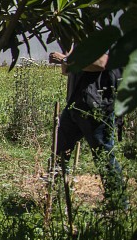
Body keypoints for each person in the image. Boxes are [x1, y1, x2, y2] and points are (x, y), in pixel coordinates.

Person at [48, 48, 125, 207]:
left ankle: (118, 204)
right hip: (75, 103)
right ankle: (55, 197)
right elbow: (67, 70)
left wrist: (65, 59)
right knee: (59, 150)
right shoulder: (79, 40)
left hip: (97, 106)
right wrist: (65, 61)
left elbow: (101, 63)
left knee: (104, 155)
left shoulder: (101, 38)